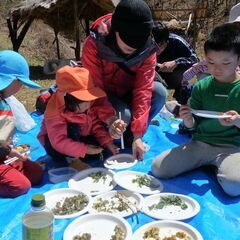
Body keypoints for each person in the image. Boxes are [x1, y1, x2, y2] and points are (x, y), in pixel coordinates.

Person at [151, 23, 240, 197]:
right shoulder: (201, 87)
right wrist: (188, 120)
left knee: (234, 186)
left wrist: (237, 120)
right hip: (200, 144)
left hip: (232, 148)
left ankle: (220, 166)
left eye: (226, 62)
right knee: (158, 168)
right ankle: (209, 164)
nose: (217, 69)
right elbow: (193, 126)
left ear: (238, 60)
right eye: (211, 62)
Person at [81, 0, 167, 160]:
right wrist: (110, 118)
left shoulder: (148, 49)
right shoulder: (94, 44)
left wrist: (138, 135)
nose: (133, 47)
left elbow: (143, 90)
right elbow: (93, 88)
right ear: (116, 30)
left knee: (160, 92)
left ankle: (130, 137)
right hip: (104, 95)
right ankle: (107, 143)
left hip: (128, 91)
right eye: (128, 40)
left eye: (138, 42)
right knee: (122, 115)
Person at [38, 65, 124, 169]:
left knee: (102, 153)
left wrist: (107, 143)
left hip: (80, 137)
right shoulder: (55, 112)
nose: (89, 104)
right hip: (56, 145)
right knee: (72, 127)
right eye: (85, 101)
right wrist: (85, 149)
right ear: (70, 100)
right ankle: (72, 160)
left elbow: (95, 125)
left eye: (90, 99)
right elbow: (59, 141)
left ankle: (79, 154)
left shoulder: (86, 106)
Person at [0, 50, 44, 198]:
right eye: (20, 82)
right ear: (11, 80)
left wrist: (11, 149)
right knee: (21, 186)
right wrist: (8, 151)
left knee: (36, 173)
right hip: (3, 153)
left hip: (3, 154)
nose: (21, 88)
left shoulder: (4, 101)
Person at [152, 21, 199, 103]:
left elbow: (195, 59)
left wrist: (176, 62)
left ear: (167, 41)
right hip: (154, 74)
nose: (157, 50)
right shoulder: (144, 43)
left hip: (175, 75)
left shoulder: (177, 41)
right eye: (154, 46)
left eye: (161, 45)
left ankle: (181, 94)